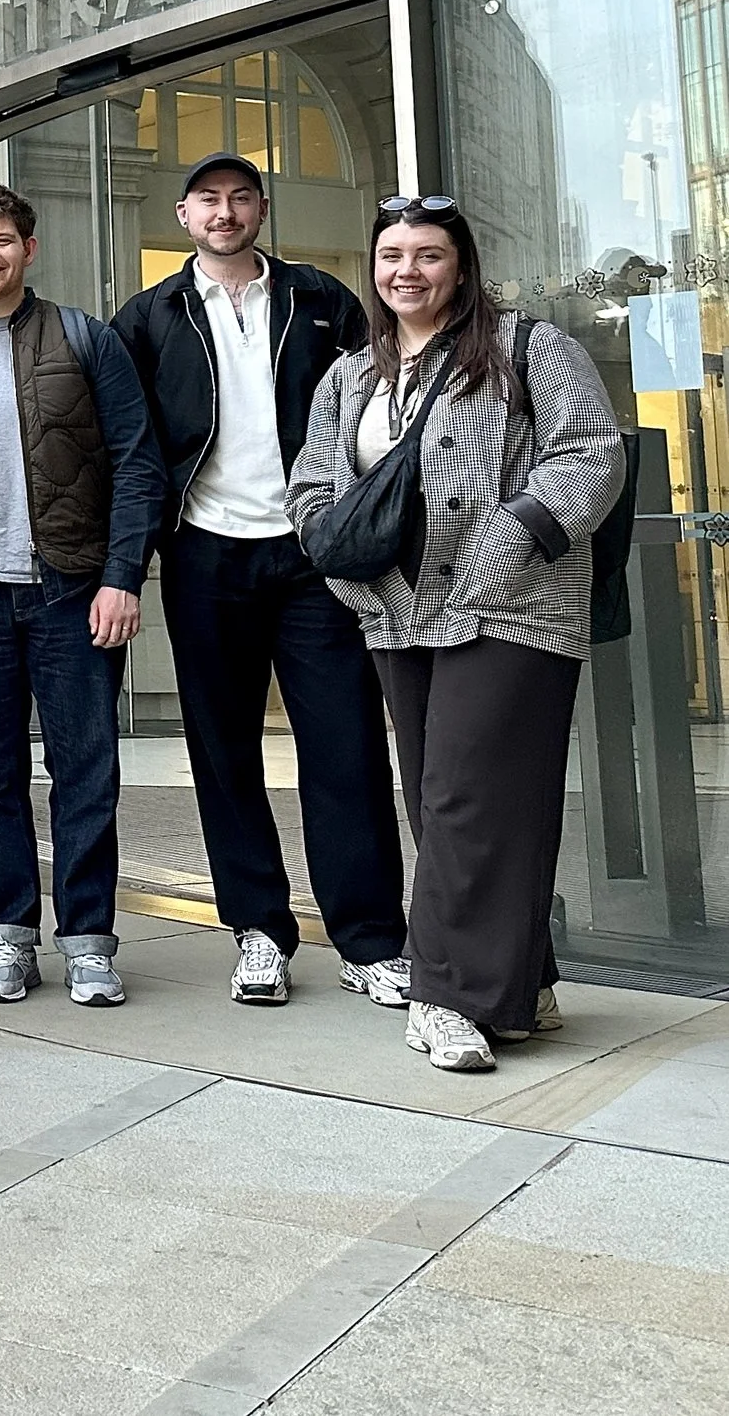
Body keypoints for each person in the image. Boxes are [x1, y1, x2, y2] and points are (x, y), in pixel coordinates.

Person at [289, 195, 624, 1072]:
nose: (407, 271)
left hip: (513, 604)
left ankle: (447, 995)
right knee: (443, 799)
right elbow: (312, 483)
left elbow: (589, 451)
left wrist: (512, 535)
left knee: (467, 797)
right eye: (392, 255)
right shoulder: (348, 376)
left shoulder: (528, 348)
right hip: (396, 611)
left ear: (463, 268)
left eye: (428, 255)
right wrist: (329, 548)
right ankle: (521, 981)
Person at [111, 153, 411, 1009]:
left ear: (262, 209)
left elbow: (380, 409)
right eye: (209, 199)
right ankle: (258, 933)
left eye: (240, 197)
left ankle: (371, 940)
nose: (225, 211)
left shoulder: (322, 300)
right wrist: (127, 564)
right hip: (206, 555)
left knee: (345, 745)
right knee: (224, 750)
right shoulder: (150, 318)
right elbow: (132, 453)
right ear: (184, 214)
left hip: (313, 552)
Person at [0, 183, 164, 1008]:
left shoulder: (84, 338)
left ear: (28, 250)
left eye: (2, 240)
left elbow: (138, 460)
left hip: (70, 592)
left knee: (86, 769)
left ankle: (88, 939)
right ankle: (7, 935)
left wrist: (123, 576)